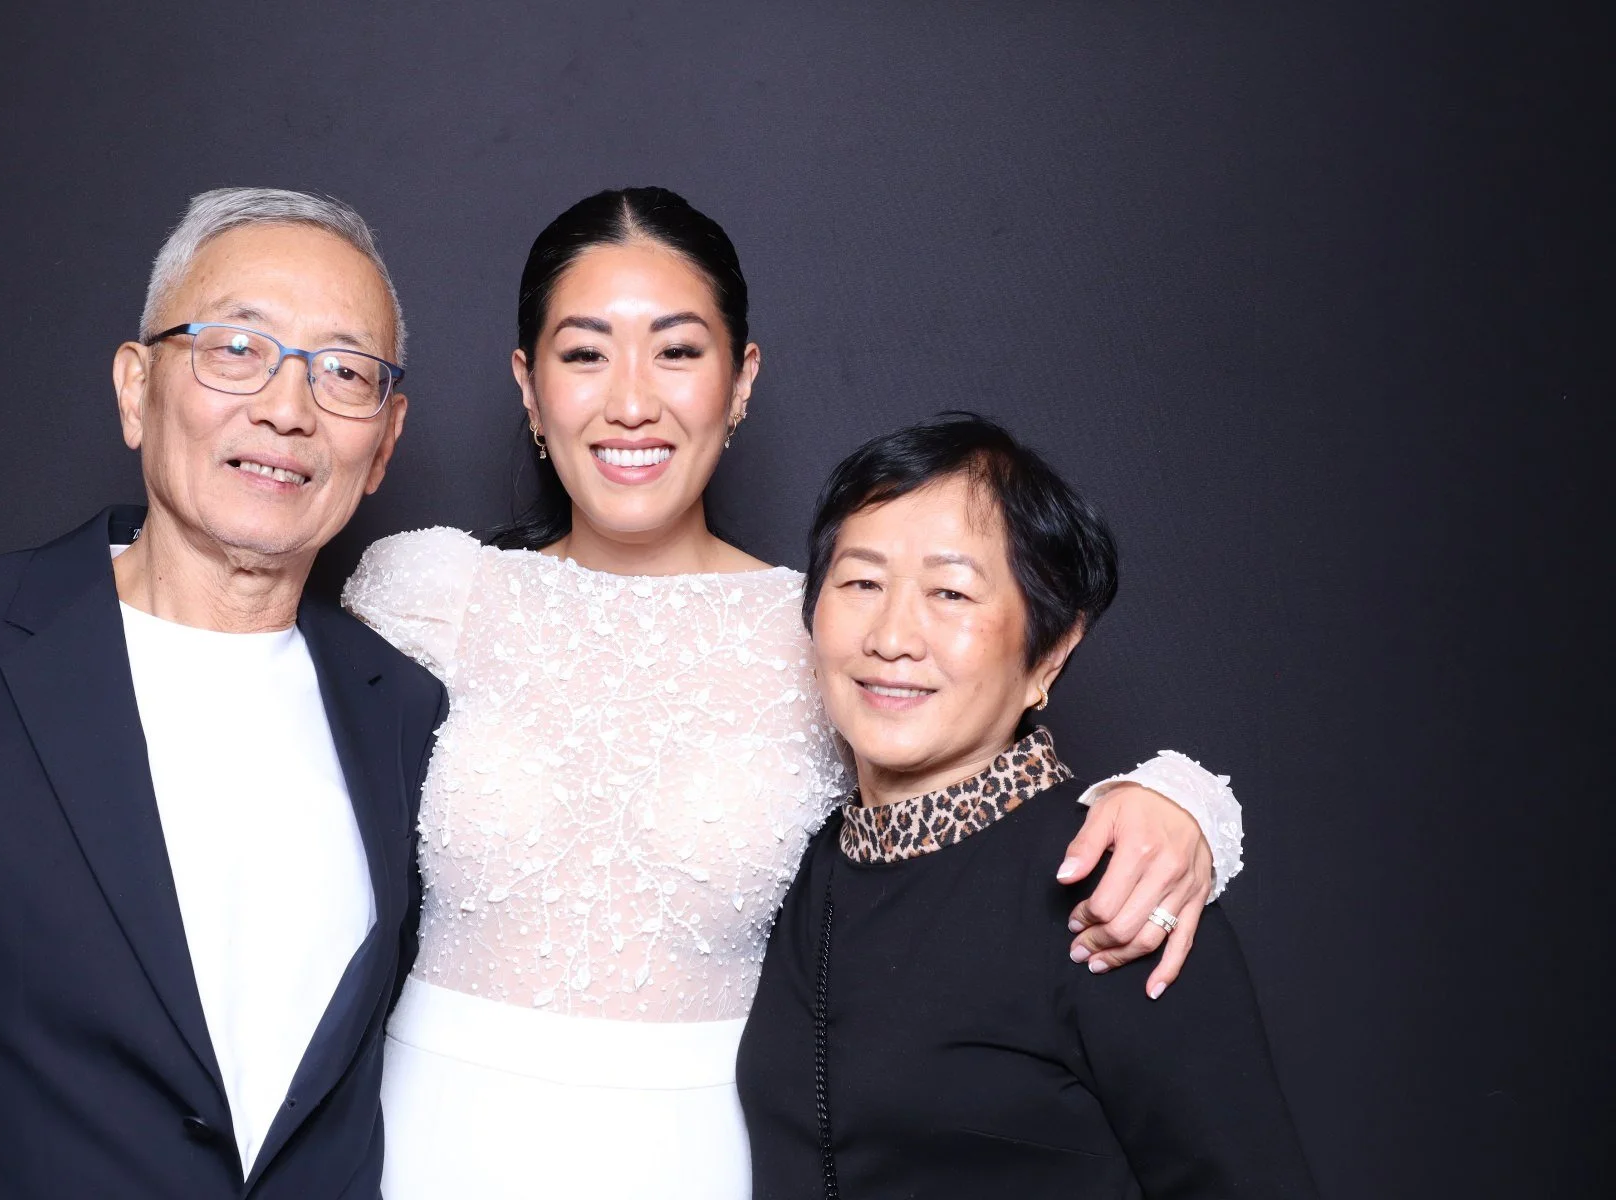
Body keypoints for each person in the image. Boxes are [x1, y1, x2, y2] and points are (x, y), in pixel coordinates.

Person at [341, 187, 1249, 1200]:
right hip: (433, 1135)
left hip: (704, 1155)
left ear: (740, 381)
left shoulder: (825, 630)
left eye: (678, 352)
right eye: (585, 352)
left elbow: (973, 794)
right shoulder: (430, 596)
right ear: (528, 382)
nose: (630, 399)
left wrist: (1182, 805)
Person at [0, 188, 446, 1198]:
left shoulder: (408, 713)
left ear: (384, 440)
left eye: (344, 371)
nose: (288, 408)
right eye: (237, 347)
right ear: (135, 388)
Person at [738, 414, 1317, 1197]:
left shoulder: (1121, 886)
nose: (892, 635)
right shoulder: (797, 868)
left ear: (1048, 653)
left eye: (950, 592)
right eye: (862, 582)